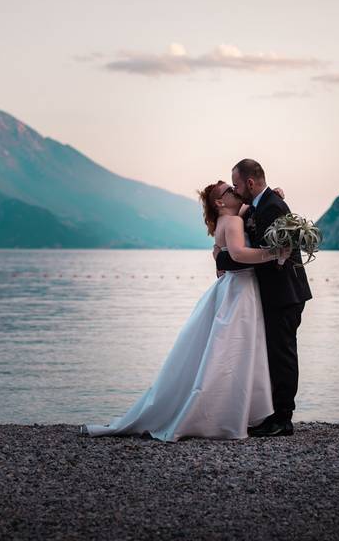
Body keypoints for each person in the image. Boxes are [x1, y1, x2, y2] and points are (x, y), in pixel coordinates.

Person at [81, 180, 290, 442]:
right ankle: (230, 414)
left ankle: (232, 412)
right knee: (236, 352)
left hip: (231, 289)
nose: (235, 192)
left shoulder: (230, 219)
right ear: (219, 202)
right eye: (229, 191)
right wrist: (275, 253)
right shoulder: (234, 222)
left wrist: (275, 194)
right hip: (241, 292)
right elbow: (237, 254)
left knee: (225, 353)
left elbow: (250, 209)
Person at [215, 159, 312, 437]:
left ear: (249, 182)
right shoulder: (261, 205)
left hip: (285, 294)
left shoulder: (272, 207)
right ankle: (274, 413)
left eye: (236, 184)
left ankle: (283, 419)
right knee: (274, 354)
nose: (234, 190)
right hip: (276, 293)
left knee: (283, 355)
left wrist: (223, 257)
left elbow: (261, 253)